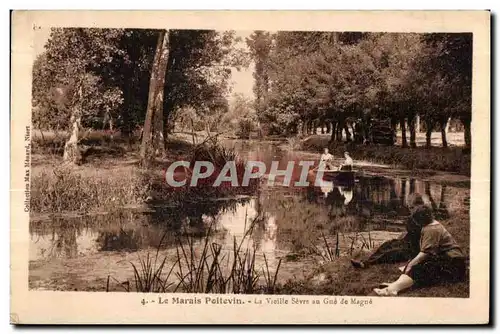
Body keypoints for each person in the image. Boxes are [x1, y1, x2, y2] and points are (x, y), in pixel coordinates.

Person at [373, 205, 466, 296]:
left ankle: (393, 289)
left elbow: (424, 253)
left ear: (420, 220)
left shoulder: (432, 229)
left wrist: (410, 265)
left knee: (421, 268)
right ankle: (396, 285)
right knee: (420, 265)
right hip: (449, 259)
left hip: (454, 264)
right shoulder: (431, 225)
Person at [350, 194, 425, 269]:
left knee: (391, 252)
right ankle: (367, 260)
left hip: (412, 249)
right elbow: (408, 233)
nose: (410, 210)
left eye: (412, 207)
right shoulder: (413, 218)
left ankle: (365, 264)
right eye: (409, 208)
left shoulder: (424, 219)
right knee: (387, 244)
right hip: (406, 242)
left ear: (420, 205)